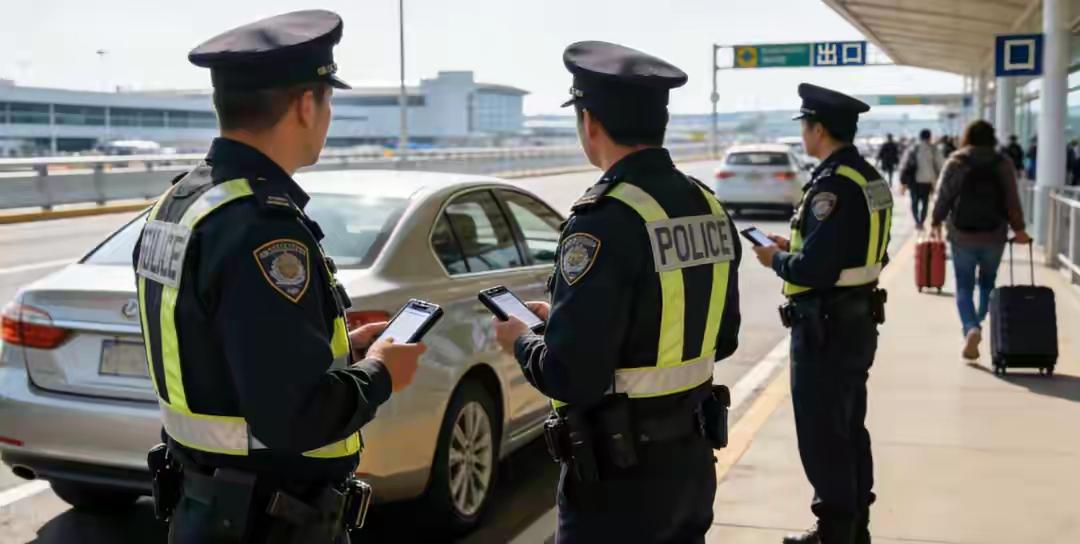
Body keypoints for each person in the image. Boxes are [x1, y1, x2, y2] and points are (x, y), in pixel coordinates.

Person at [132, 11, 425, 543]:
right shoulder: (260, 229)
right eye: (328, 99)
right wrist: (381, 373)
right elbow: (294, 418)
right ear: (306, 104)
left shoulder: (179, 204)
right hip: (266, 520)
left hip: (207, 505)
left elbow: (222, 354)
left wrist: (345, 350)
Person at [491, 41, 741, 543]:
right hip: (691, 467)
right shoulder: (707, 206)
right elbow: (725, 336)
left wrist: (521, 339)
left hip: (619, 483)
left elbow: (572, 375)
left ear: (590, 123)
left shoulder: (604, 221)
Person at [751, 83, 892, 544]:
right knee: (850, 427)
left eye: (805, 126)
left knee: (822, 434)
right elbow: (852, 250)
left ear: (819, 129)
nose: (803, 136)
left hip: (825, 327)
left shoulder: (831, 186)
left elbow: (816, 268)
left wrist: (777, 260)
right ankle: (855, 527)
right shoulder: (868, 177)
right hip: (856, 320)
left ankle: (834, 532)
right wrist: (790, 247)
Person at [930, 120, 1032, 360]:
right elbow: (1012, 200)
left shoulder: (956, 161)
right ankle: (979, 318)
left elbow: (944, 195)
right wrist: (1019, 229)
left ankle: (971, 327)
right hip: (994, 234)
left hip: (961, 235)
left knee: (963, 285)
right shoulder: (1002, 162)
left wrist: (935, 221)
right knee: (988, 283)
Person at [901, 129, 943, 230]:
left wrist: (903, 182)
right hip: (927, 181)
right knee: (925, 203)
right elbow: (940, 165)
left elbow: (904, 164)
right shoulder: (933, 149)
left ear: (920, 137)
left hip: (914, 180)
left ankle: (917, 222)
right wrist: (938, 179)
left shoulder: (913, 148)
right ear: (929, 137)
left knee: (914, 202)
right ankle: (922, 221)